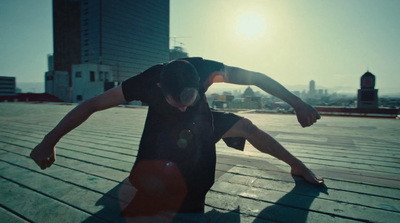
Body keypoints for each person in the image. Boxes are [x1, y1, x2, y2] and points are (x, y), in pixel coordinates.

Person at [30, 57, 323, 217]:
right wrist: (49, 140)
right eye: (176, 101)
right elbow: (92, 104)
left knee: (245, 126)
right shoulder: (146, 81)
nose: (182, 105)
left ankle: (297, 165)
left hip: (201, 123)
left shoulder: (207, 69)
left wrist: (297, 102)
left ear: (201, 82)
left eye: (189, 98)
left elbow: (257, 77)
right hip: (162, 132)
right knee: (167, 196)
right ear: (159, 87)